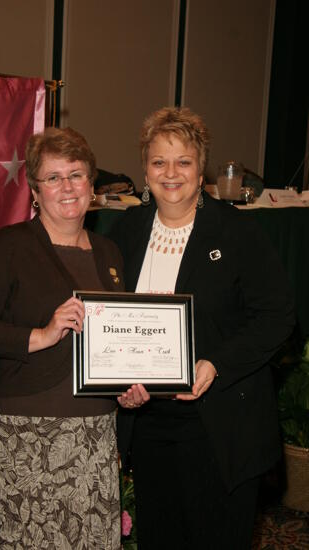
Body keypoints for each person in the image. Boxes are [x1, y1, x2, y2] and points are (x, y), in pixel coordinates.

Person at [110, 107, 295, 549]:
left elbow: (277, 317)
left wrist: (216, 363)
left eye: (183, 162)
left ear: (201, 168)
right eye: (159, 162)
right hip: (150, 424)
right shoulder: (127, 230)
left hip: (220, 423)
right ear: (145, 169)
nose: (170, 173)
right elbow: (111, 319)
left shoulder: (238, 232)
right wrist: (116, 381)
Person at [0, 126, 124, 549]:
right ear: (34, 189)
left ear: (92, 185)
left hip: (95, 435)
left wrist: (130, 386)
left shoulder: (109, 253)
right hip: (26, 436)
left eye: (77, 174)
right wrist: (40, 335)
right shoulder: (8, 247)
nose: (67, 187)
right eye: (53, 177)